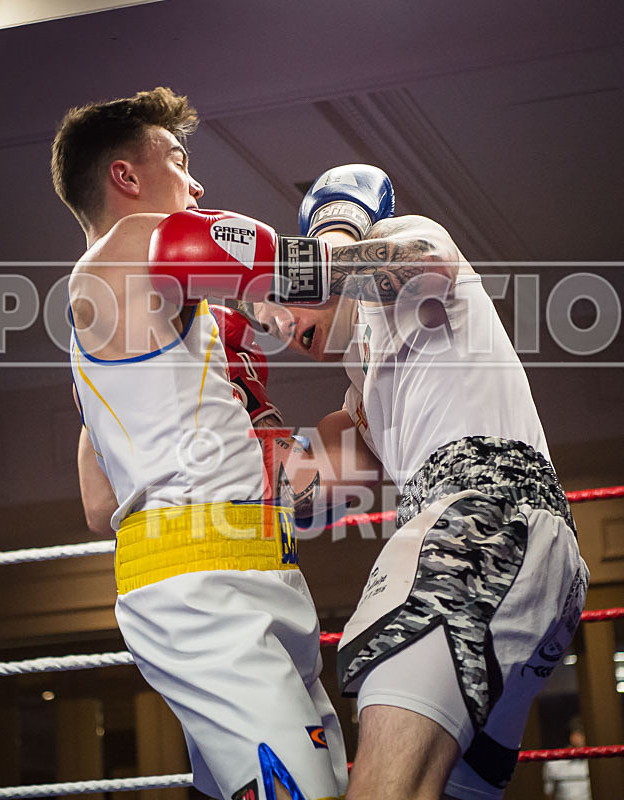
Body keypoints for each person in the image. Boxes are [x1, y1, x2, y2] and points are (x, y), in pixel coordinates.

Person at [52, 87, 360, 800]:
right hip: (204, 592)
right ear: (126, 177)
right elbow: (274, 266)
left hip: (248, 574)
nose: (195, 183)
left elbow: (102, 505)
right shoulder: (124, 247)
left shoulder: (132, 344)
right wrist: (349, 231)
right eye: (179, 159)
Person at [249, 164, 590, 800]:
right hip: (528, 558)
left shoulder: (405, 262)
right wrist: (229, 396)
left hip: (476, 518)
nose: (284, 327)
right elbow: (293, 498)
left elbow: (420, 259)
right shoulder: (365, 393)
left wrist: (276, 265)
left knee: (384, 788)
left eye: (286, 306)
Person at [543, 717, 592, 800]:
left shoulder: (597, 762)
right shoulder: (555, 763)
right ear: (573, 736)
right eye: (580, 734)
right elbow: (548, 794)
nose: (582, 739)